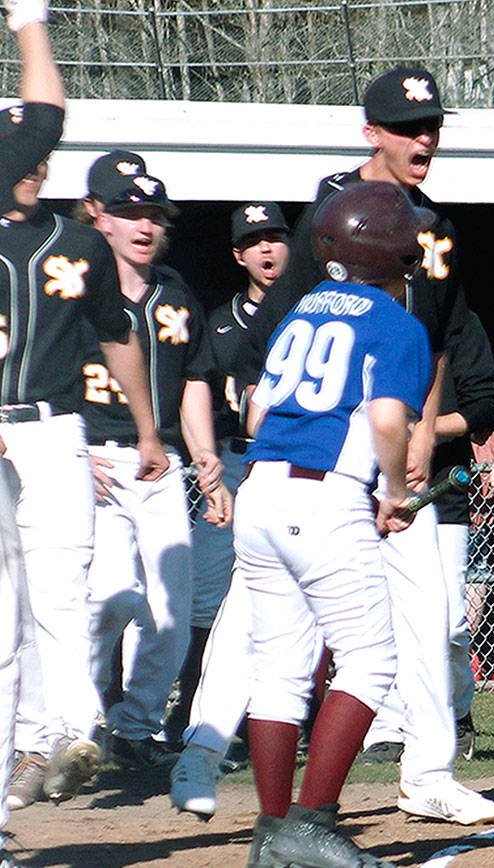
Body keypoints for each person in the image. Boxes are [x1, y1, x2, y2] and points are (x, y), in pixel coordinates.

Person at [0, 10, 171, 811]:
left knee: (62, 592)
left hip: (57, 430)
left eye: (34, 154)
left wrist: (145, 426)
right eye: (17, 153)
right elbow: (46, 115)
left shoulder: (77, 242)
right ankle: (11, 788)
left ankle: (70, 735)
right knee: (5, 622)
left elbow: (119, 335)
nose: (30, 163)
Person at [238, 181, 429, 867]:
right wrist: (397, 491)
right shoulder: (396, 323)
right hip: (323, 500)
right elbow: (385, 420)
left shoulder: (298, 312)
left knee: (280, 671)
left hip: (258, 492)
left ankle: (269, 833)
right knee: (370, 660)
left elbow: (259, 413)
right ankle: (312, 823)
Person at [81, 171, 232, 768]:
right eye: (131, 212)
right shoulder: (73, 285)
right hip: (94, 456)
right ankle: (74, 717)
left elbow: (194, 373)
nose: (146, 225)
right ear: (99, 216)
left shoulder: (173, 291)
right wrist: (71, 451)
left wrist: (206, 456)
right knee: (113, 598)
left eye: (156, 215)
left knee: (172, 610)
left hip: (161, 463)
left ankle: (133, 731)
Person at [164, 201, 291, 749]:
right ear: (238, 255)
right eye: (255, 240)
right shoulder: (218, 321)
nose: (267, 248)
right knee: (209, 594)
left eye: (276, 237)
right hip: (238, 463)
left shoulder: (313, 311)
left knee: (294, 592)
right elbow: (197, 389)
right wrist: (208, 466)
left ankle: (288, 715)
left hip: (298, 468)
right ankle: (193, 710)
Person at [361, 310, 494, 764]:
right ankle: (387, 727)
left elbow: (481, 409)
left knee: (449, 624)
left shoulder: (458, 322)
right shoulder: (368, 313)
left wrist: (423, 432)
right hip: (372, 485)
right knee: (383, 617)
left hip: (441, 490)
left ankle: (457, 711)